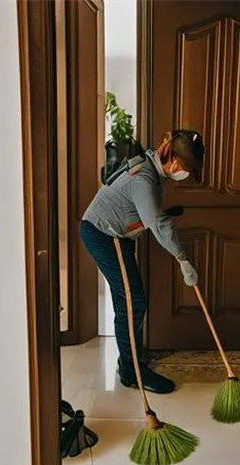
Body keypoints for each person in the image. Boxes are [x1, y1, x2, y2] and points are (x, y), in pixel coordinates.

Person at [80, 130, 205, 394]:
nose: (184, 174)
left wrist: (163, 212)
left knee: (130, 299)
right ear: (173, 160)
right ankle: (131, 371)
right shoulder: (144, 179)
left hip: (117, 235)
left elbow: (146, 209)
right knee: (132, 301)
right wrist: (183, 259)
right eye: (185, 169)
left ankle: (130, 360)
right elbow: (157, 224)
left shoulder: (151, 165)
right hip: (104, 234)